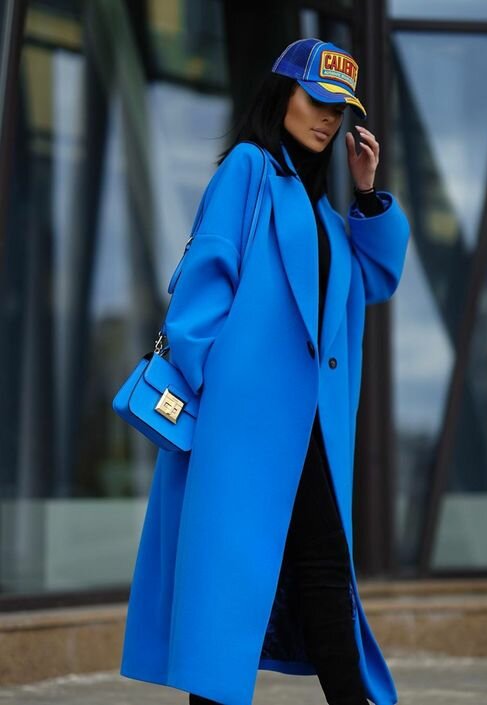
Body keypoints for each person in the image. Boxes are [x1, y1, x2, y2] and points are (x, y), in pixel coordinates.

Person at [119, 38, 410, 705]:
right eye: (316, 100)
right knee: (231, 589)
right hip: (240, 427)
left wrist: (367, 194)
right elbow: (204, 279)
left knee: (321, 571)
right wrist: (215, 390)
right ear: (282, 94)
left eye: (339, 109)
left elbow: (374, 280)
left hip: (310, 429)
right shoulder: (249, 169)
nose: (328, 118)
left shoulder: (326, 215)